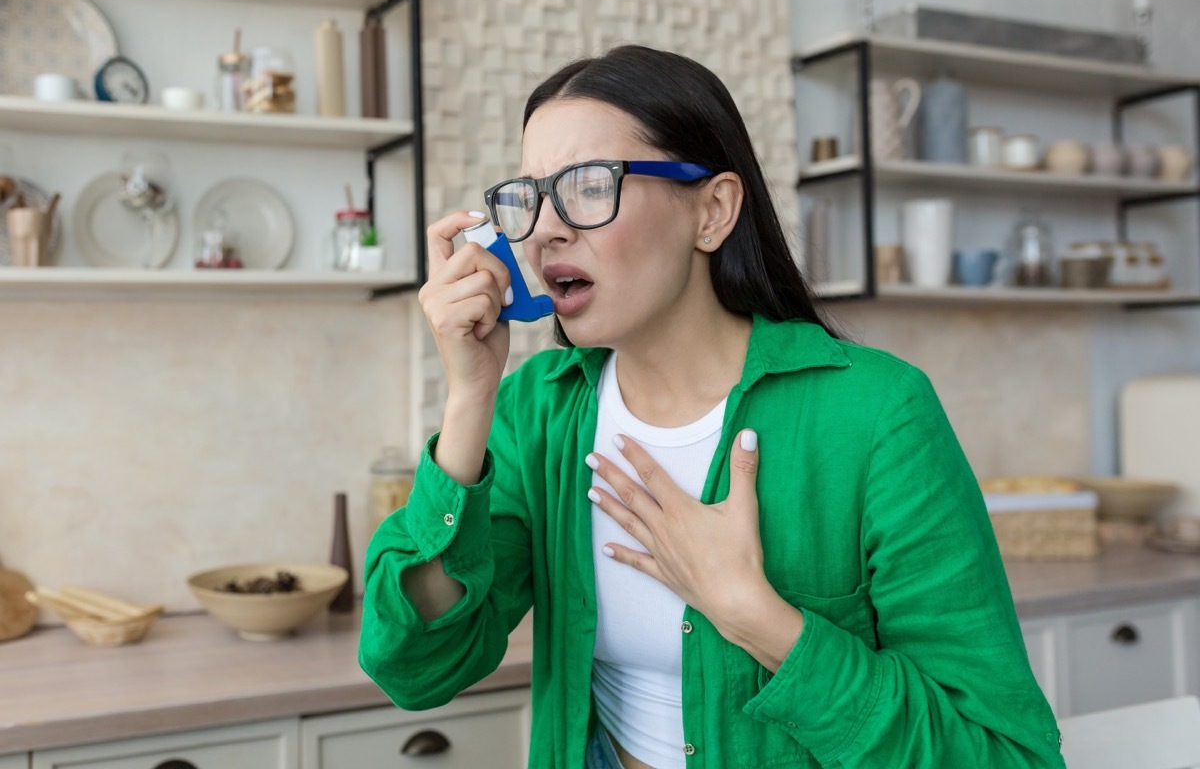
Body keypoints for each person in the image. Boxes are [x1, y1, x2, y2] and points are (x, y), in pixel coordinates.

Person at [359, 44, 1065, 769]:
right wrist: (472, 395)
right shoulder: (536, 410)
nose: (545, 230)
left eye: (588, 186)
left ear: (713, 211)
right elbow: (415, 665)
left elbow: (1006, 756)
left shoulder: (879, 414)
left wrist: (755, 616)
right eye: (530, 196)